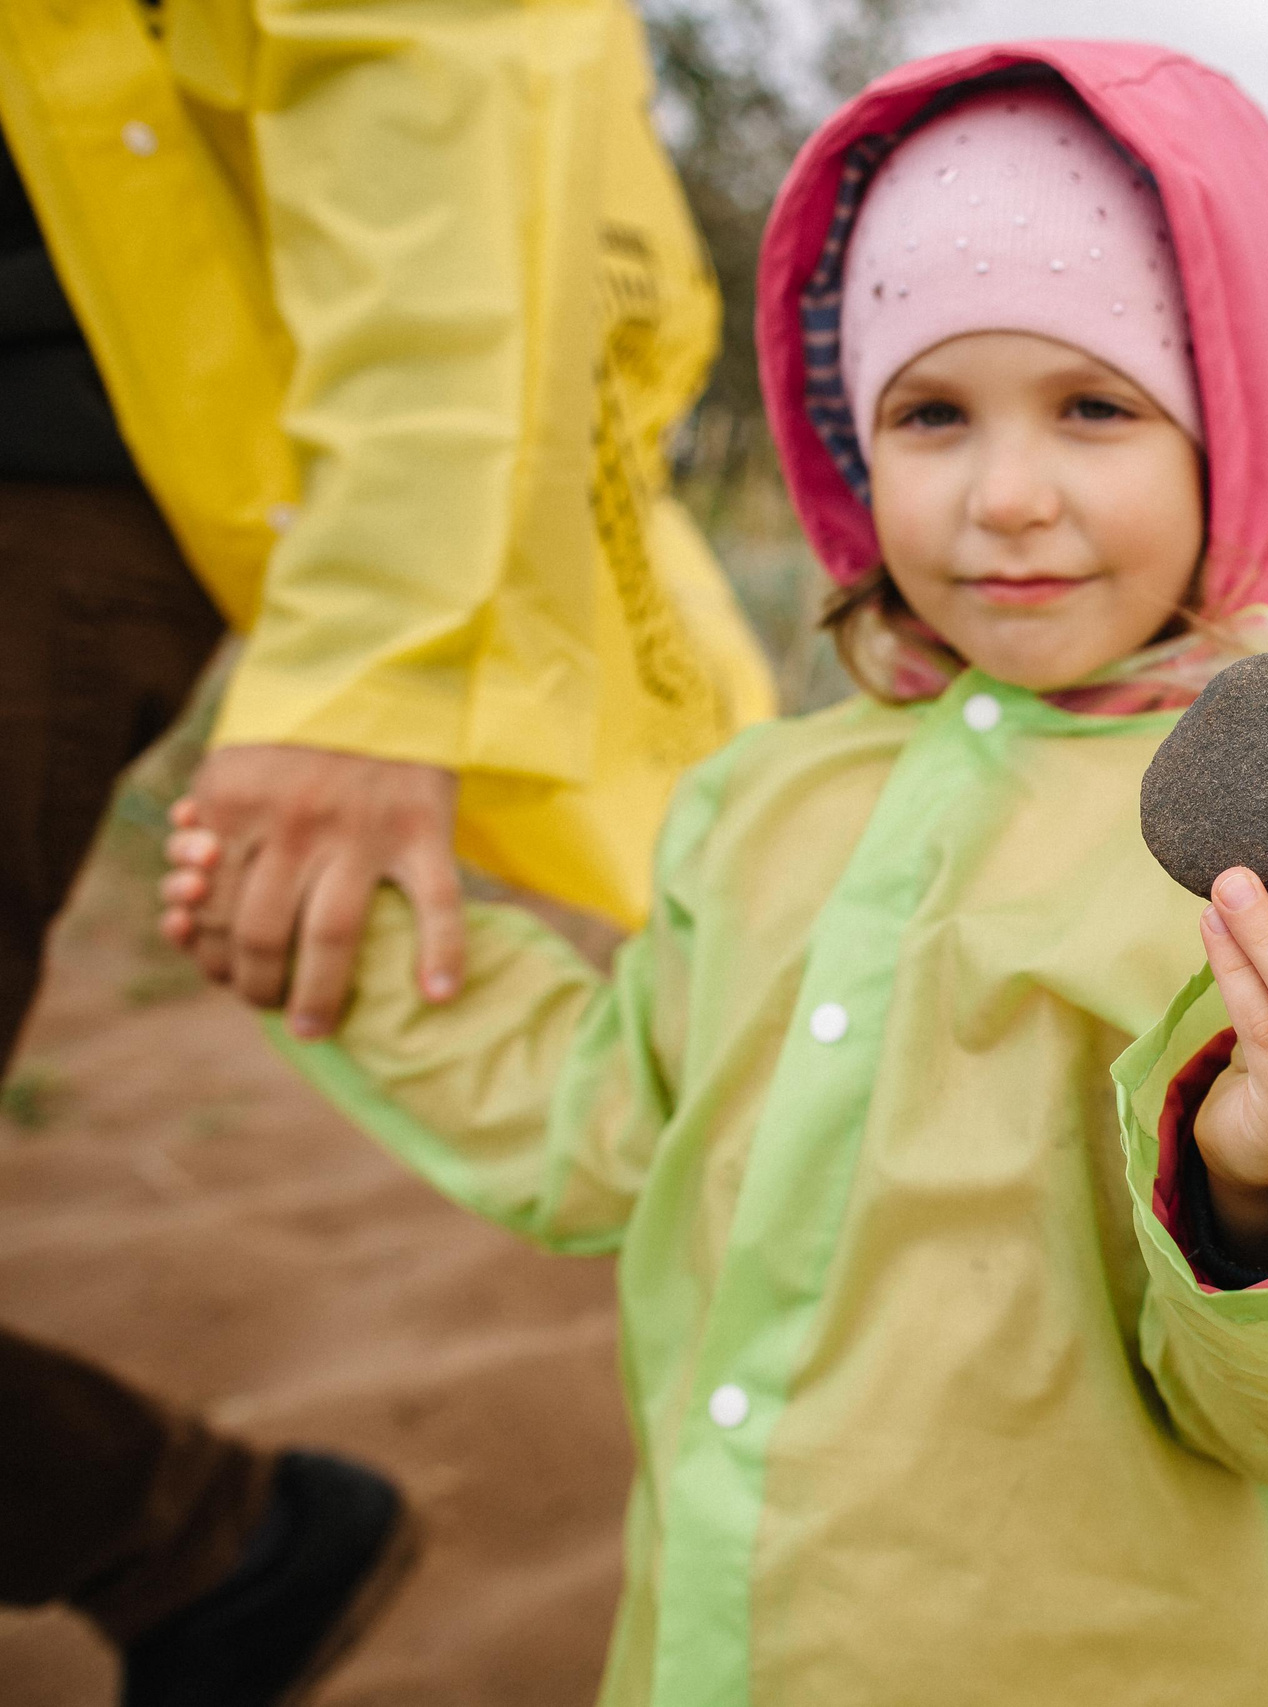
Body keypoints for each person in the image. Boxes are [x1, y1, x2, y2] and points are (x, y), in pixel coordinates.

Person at [167, 40, 1268, 1705]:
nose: (1006, 497)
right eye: (930, 414)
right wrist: (356, 961)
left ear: (1239, 426)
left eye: (1096, 407)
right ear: (847, 440)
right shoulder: (761, 800)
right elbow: (618, 1127)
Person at [0, 1, 771, 1699]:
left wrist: (375, 666)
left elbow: (433, 63)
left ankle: (199, 1541)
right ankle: (210, 1547)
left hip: (47, 444)